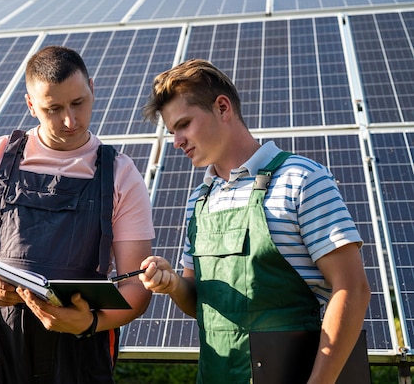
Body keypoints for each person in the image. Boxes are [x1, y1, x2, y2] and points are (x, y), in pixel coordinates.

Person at [0, 45, 154, 384]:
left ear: (92, 88)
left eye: (79, 102)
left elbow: (136, 283)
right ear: (31, 105)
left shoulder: (122, 174)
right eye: (53, 109)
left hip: (79, 344)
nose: (70, 120)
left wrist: (90, 323)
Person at [138, 59, 370, 384]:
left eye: (184, 124)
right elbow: (204, 303)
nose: (176, 141)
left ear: (222, 107)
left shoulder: (302, 179)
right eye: (172, 130)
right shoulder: (199, 200)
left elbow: (353, 289)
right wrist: (174, 284)